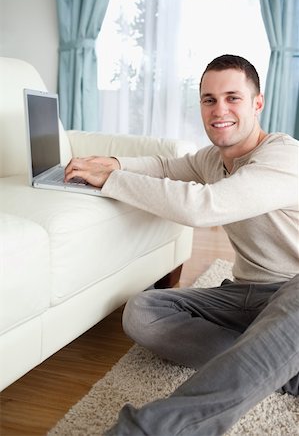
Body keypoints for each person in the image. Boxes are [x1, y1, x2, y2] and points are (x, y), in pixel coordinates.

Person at [65, 55, 299, 436]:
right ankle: (282, 363)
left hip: (295, 294)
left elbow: (202, 206)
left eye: (232, 98)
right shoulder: (212, 159)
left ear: (258, 103)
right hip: (246, 296)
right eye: (209, 99)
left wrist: (111, 180)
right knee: (142, 312)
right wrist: (112, 161)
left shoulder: (284, 156)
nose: (219, 109)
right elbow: (164, 167)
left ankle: (152, 429)